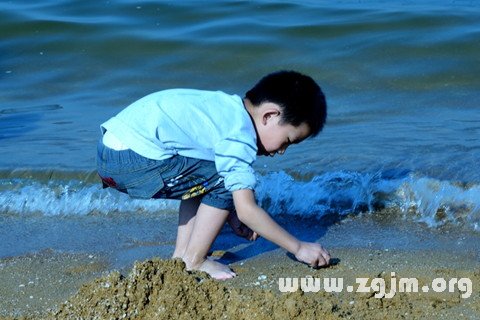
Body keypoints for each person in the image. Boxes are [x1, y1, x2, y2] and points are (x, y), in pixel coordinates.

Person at [96, 70, 330, 280]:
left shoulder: (225, 109)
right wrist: (298, 247)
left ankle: (182, 257)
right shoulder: (240, 133)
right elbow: (247, 210)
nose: (281, 151)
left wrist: (229, 214)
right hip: (134, 160)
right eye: (287, 141)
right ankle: (194, 260)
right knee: (222, 181)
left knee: (208, 175)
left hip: (112, 153)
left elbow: (197, 175)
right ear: (269, 116)